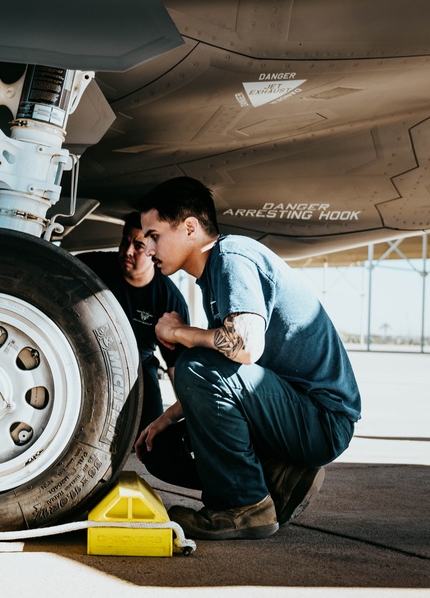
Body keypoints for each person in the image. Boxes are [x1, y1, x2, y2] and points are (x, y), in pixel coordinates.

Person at [134, 176, 361, 540]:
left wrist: (178, 333)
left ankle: (243, 506)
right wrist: (166, 418)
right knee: (159, 448)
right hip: (289, 412)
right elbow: (231, 375)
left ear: (190, 227)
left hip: (321, 420)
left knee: (195, 364)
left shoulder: (231, 258)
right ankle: (281, 477)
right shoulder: (214, 278)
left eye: (155, 235)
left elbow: (244, 347)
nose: (147, 248)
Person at [79, 211, 190, 432]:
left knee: (152, 437)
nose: (127, 251)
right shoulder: (93, 266)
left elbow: (176, 366)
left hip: (138, 366)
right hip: (90, 359)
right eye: (125, 241)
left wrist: (190, 416)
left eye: (138, 246)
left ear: (153, 251)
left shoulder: (169, 300)